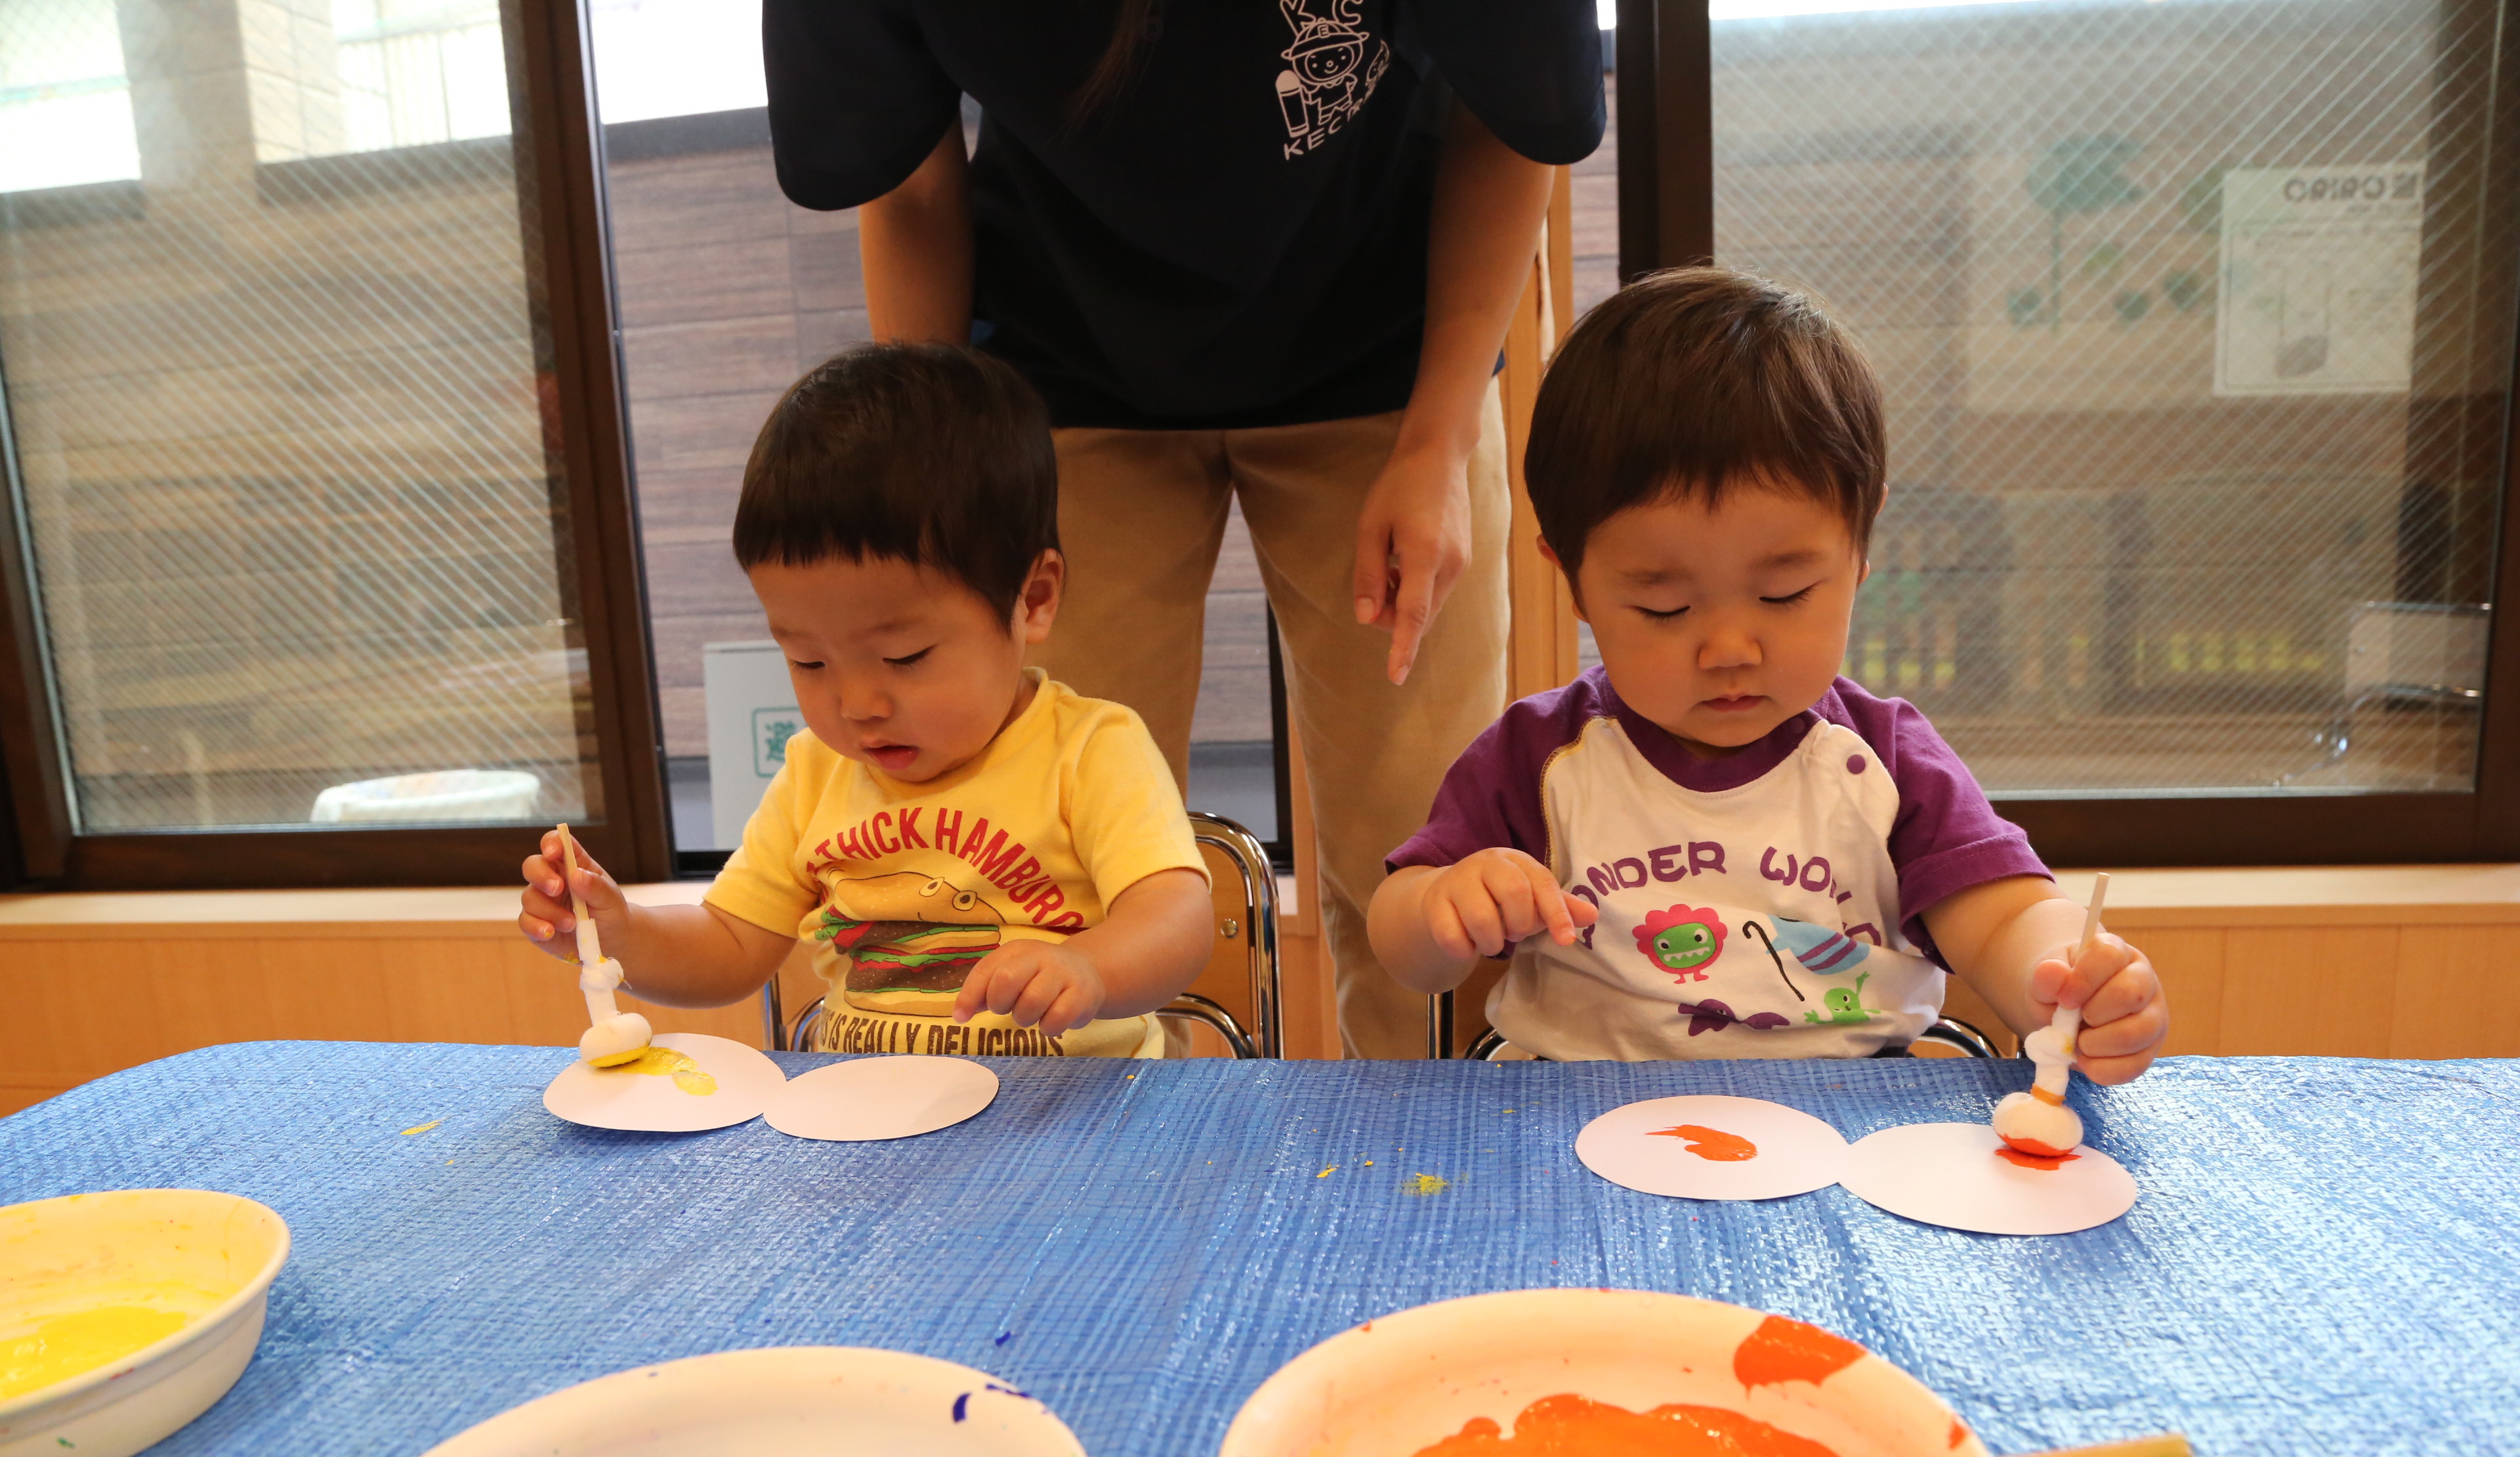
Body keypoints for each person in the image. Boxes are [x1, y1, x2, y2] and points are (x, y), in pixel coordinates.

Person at [762, 0, 1605, 1057]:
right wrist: (943, 488)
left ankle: (1434, 1188)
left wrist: (1437, 446)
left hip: (1393, 349)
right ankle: (1067, 1195)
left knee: (1421, 850)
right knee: (1039, 851)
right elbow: (910, 182)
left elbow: (1516, 121)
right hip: (1053, 364)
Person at [1368, 269, 2172, 1074]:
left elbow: (2000, 921)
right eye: (1665, 608)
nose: (1730, 649)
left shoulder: (1884, 760)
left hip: (1849, 1118)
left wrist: (2070, 979)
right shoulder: (1537, 757)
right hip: (1577, 1119)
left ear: (1860, 550)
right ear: (1574, 581)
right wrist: (1444, 907)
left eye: (1784, 593)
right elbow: (1404, 944)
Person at [518, 343, 1214, 1058]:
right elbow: (731, 944)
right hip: (873, 1125)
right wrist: (621, 932)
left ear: (1032, 600)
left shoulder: (1092, 748)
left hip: (1072, 1122)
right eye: (808, 660)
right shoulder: (817, 773)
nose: (857, 704)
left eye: (905, 657)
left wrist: (1092, 965)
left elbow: (1176, 915)